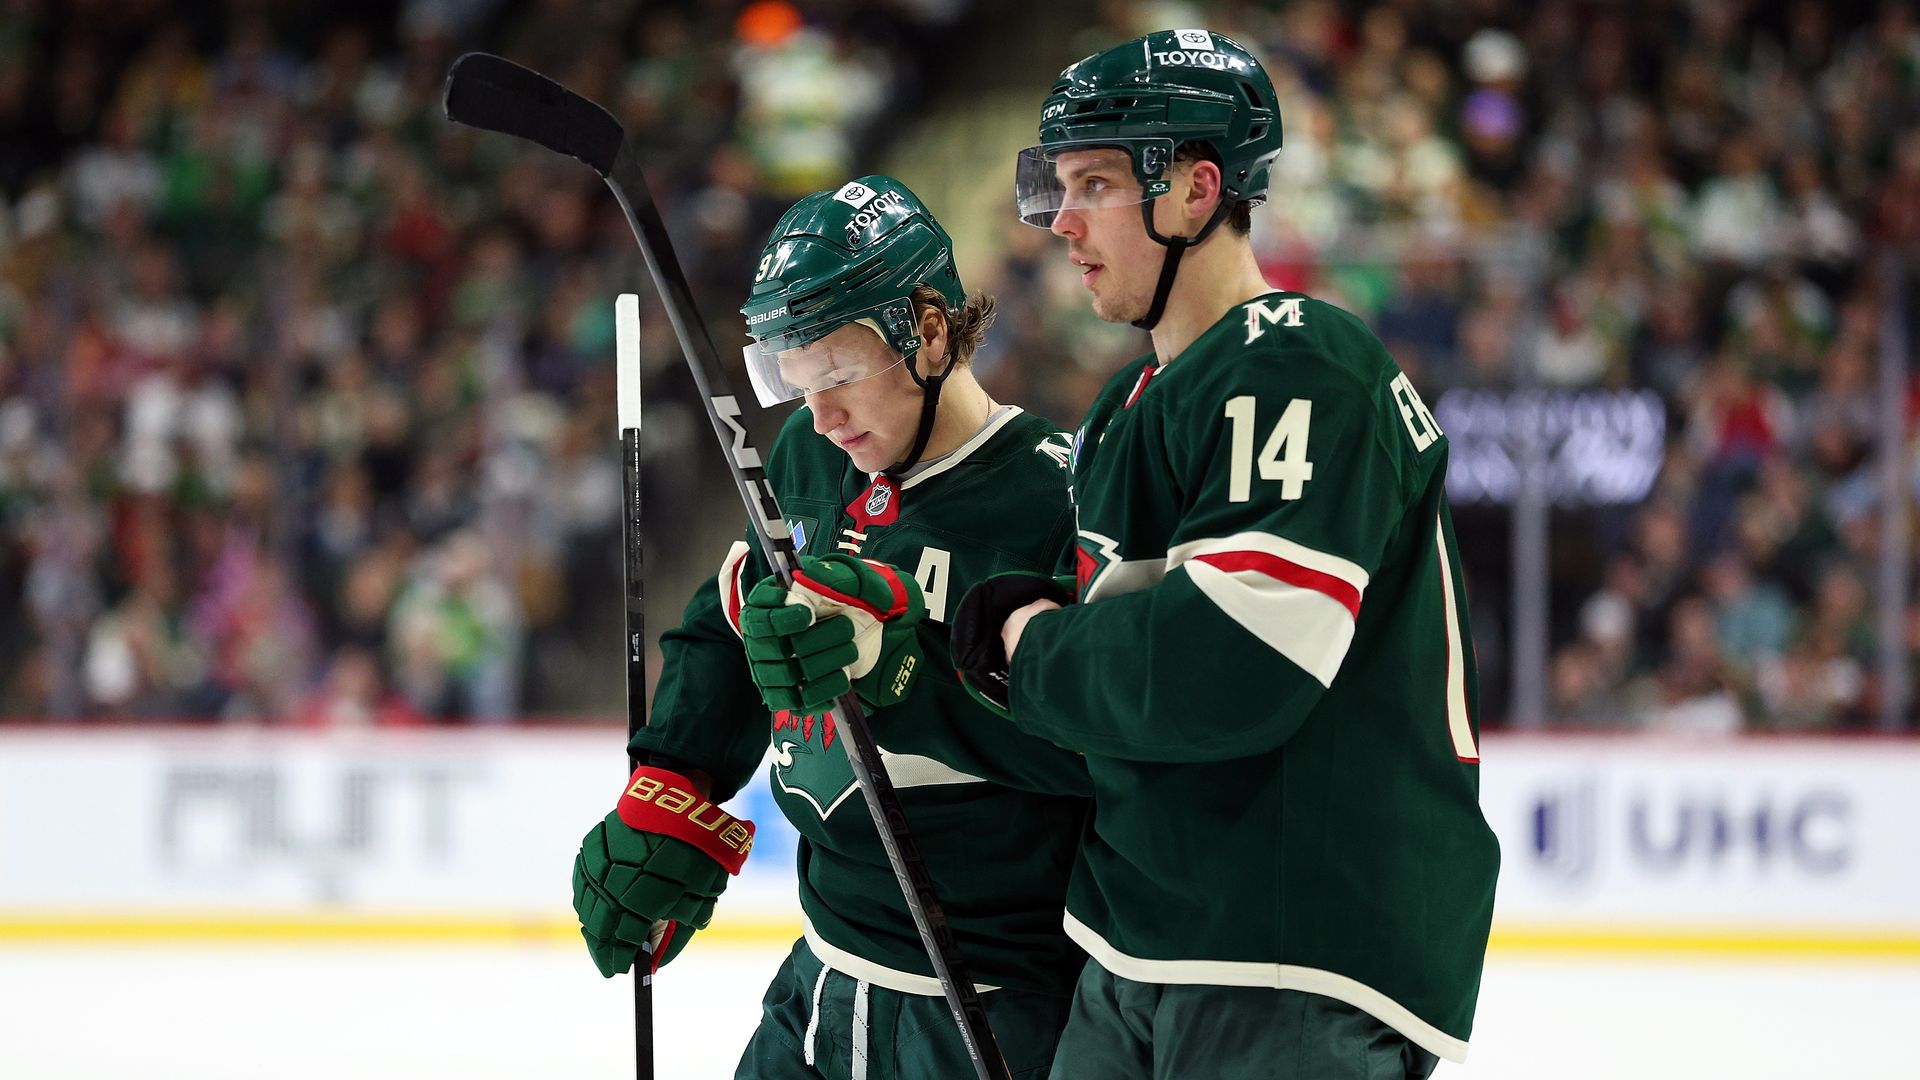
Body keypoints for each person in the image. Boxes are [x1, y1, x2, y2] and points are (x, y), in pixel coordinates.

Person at [944, 30, 1501, 1079]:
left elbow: (1233, 664)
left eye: (1096, 184)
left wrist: (1031, 648)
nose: (1061, 221)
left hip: (1288, 960)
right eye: (1057, 187)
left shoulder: (1296, 358)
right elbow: (1108, 712)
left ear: (1196, 192)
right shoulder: (1126, 408)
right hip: (1137, 942)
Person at [570, 175, 1089, 1078]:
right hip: (822, 979)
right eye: (796, 384)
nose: (822, 417)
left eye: (842, 376)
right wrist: (673, 778)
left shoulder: (1055, 496)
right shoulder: (814, 457)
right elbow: (729, 623)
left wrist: (905, 670)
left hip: (995, 1010)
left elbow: (1095, 740)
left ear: (929, 332)